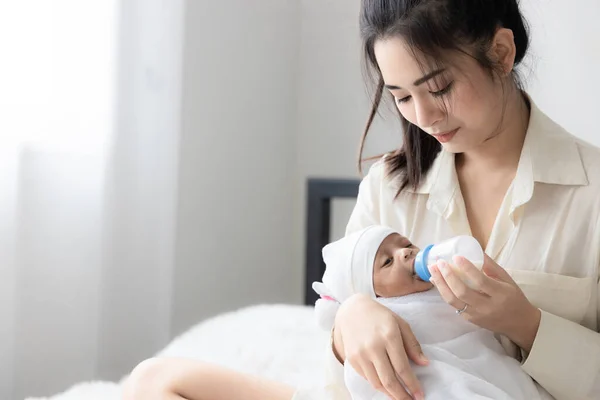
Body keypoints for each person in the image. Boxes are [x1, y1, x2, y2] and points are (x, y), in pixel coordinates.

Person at [122, 1, 600, 399]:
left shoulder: (591, 194)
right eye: (401, 97)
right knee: (155, 379)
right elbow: (338, 368)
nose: (423, 116)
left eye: (438, 88)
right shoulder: (390, 187)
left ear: (500, 52)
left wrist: (528, 326)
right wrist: (348, 319)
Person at [312, 224, 552, 400]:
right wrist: (353, 310)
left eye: (406, 245)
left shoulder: (447, 288)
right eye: (387, 261)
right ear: (370, 293)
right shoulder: (381, 313)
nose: (405, 252)